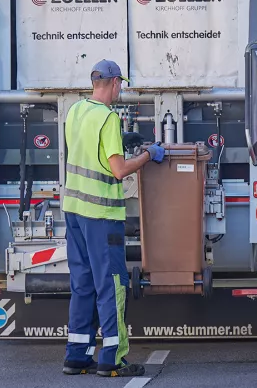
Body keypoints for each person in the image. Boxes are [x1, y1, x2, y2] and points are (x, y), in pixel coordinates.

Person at [61, 59, 165, 378]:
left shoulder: (76, 110)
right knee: (113, 285)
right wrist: (148, 155)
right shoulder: (108, 118)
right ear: (115, 83)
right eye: (121, 85)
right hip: (102, 215)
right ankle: (112, 358)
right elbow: (118, 170)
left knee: (82, 284)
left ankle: (76, 355)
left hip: (74, 211)